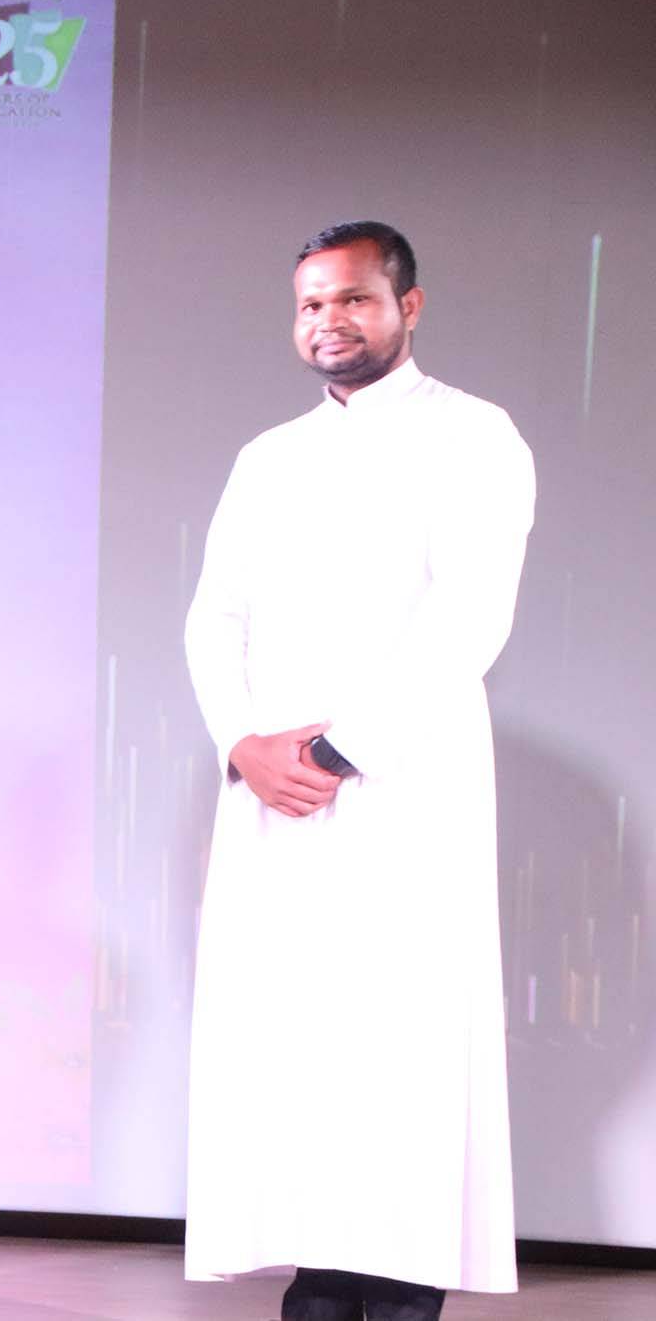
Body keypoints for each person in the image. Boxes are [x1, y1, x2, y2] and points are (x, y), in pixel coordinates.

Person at [183, 222, 534, 1320]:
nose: (328, 321)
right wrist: (243, 743)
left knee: (399, 1037)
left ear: (406, 306)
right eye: (310, 304)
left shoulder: (472, 434)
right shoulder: (268, 456)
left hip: (400, 786)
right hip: (272, 793)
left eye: (352, 299)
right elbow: (214, 614)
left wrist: (340, 750)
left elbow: (469, 612)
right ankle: (319, 1275)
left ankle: (398, 1286)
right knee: (292, 1037)